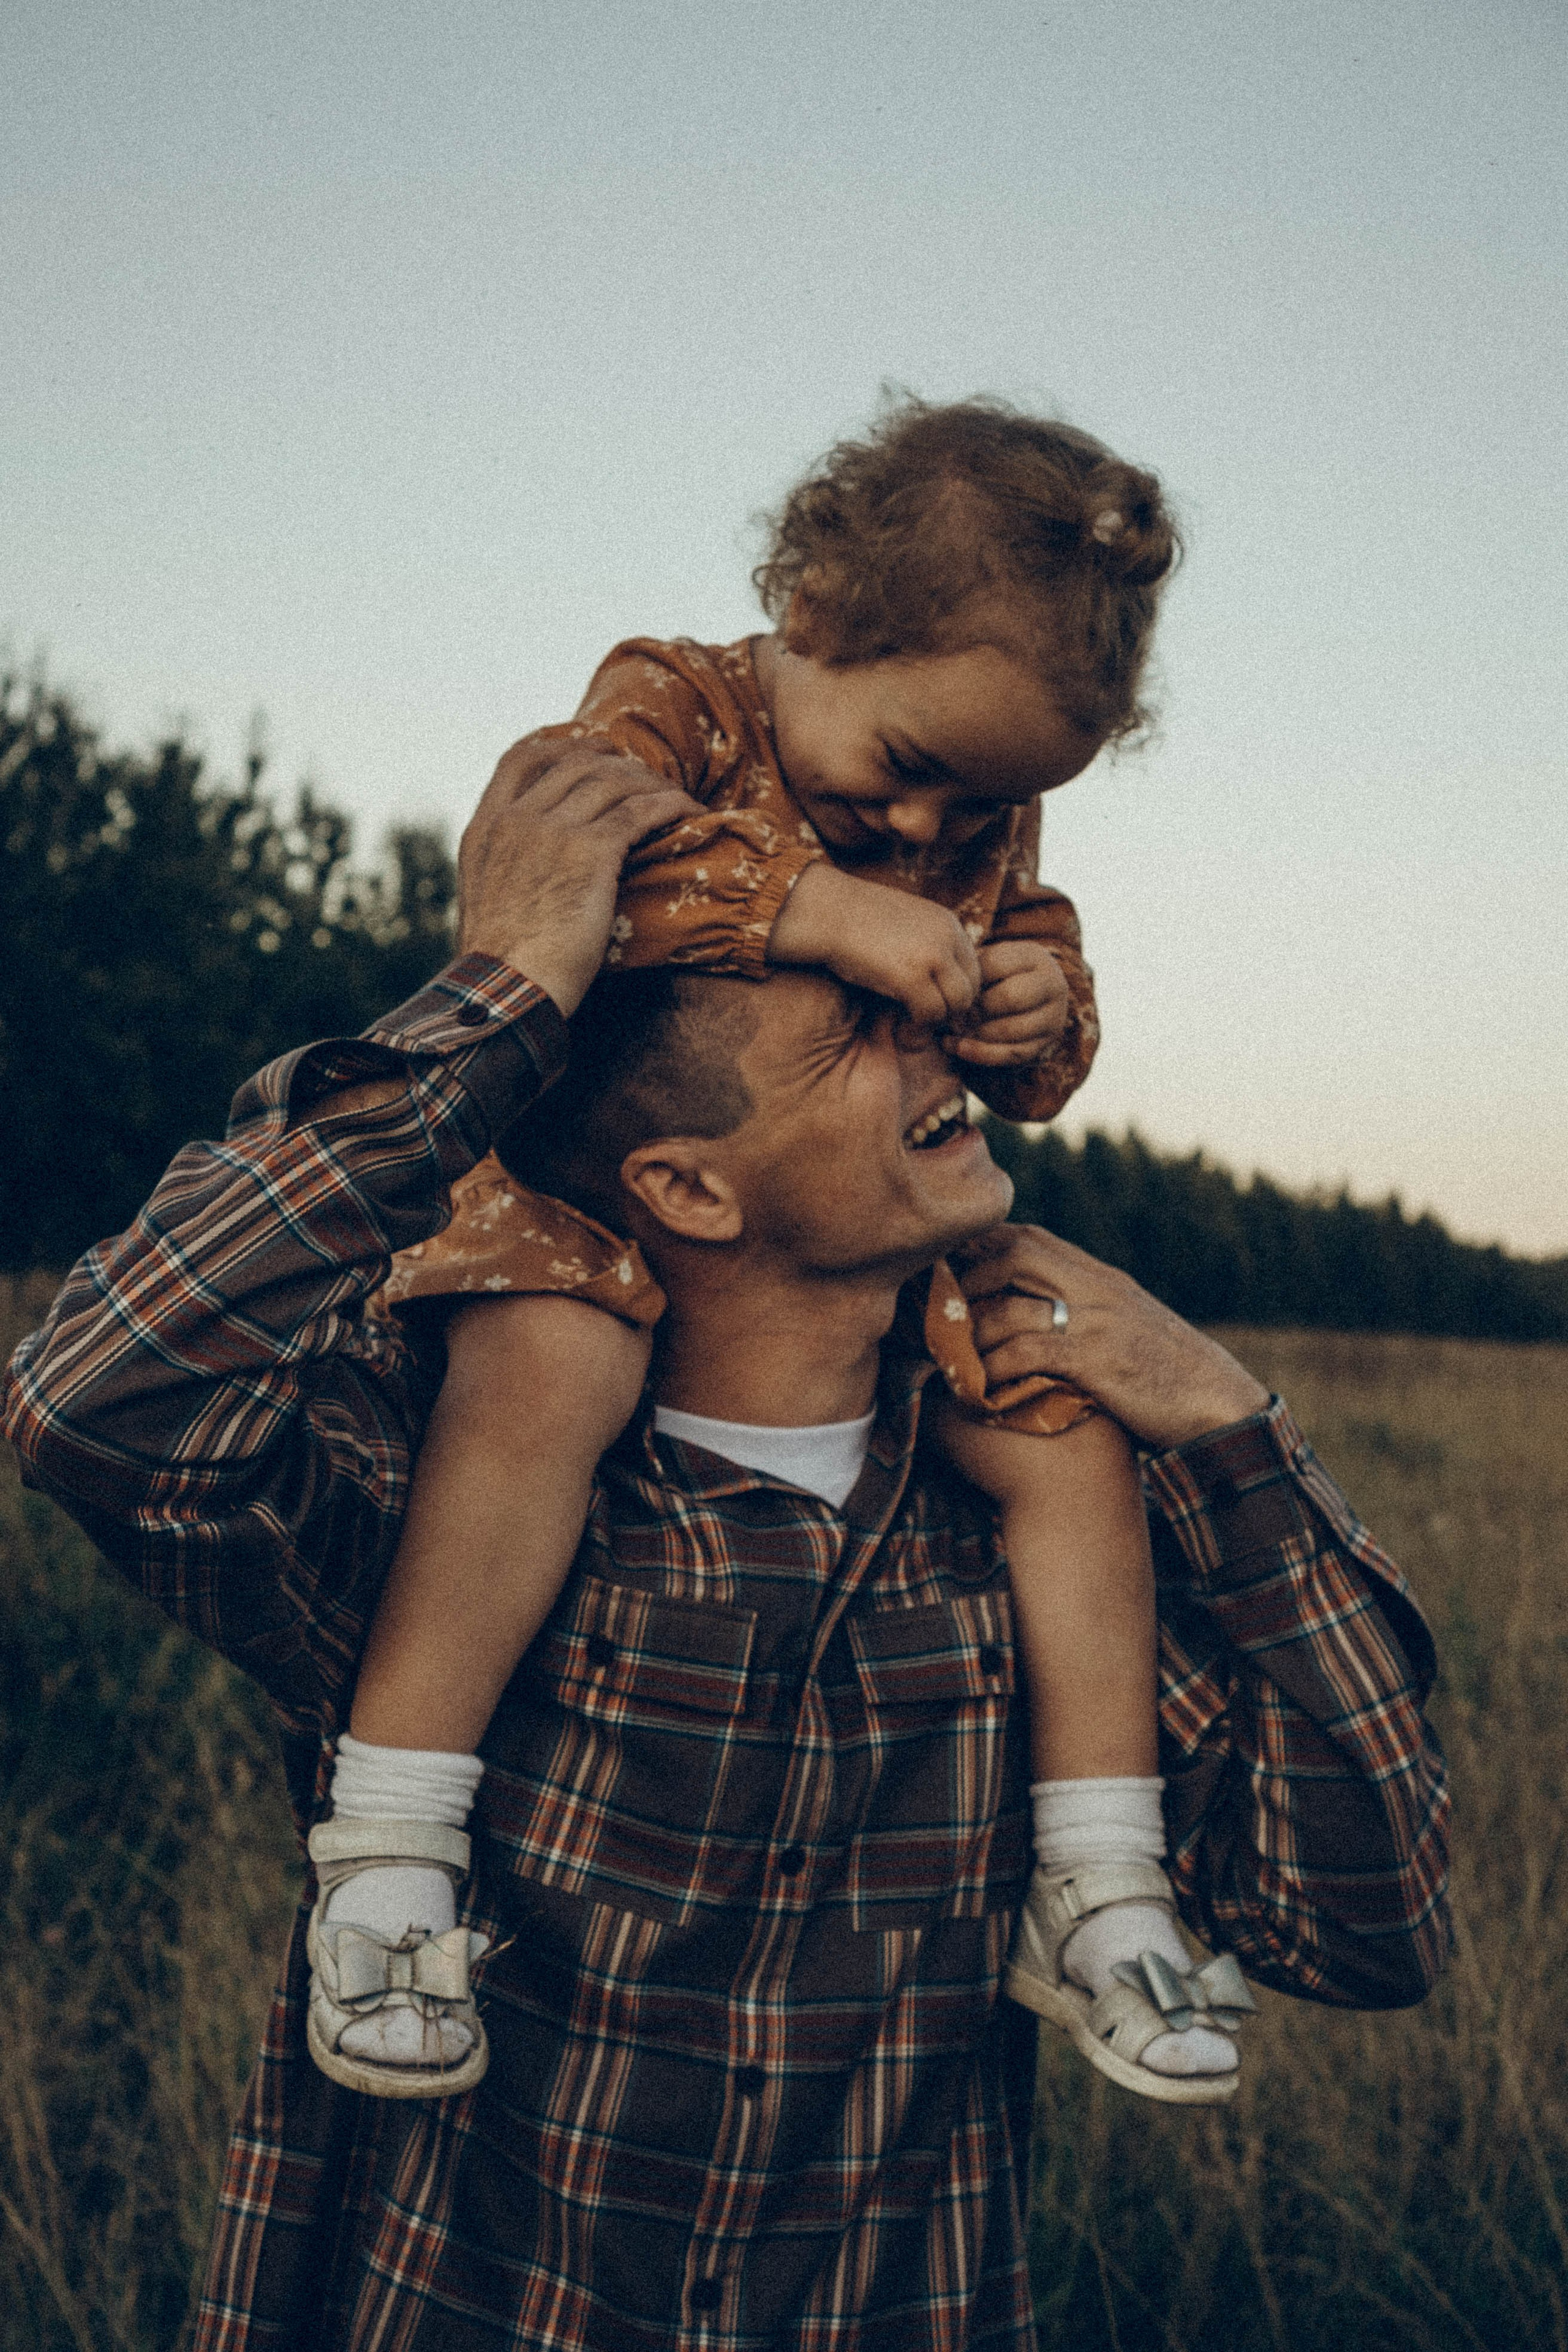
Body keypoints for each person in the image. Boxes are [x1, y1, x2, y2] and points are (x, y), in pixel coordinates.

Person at [4, 742, 1452, 2352]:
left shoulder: (1045, 1518)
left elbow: (1366, 1925)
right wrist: (500, 999)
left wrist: (1229, 1425)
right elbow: (95, 1400)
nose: (937, 1040)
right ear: (687, 1185)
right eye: (856, 1033)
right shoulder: (440, 1505)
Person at [336, 397, 1231, 2105]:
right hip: (585, 1201)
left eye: (983, 808)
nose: (926, 839)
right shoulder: (677, 696)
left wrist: (1041, 1007)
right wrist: (816, 913)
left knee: (1049, 1413)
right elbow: (572, 849)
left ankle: (1102, 1876)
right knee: (558, 1356)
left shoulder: (969, 821)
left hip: (830, 1249)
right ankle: (389, 1845)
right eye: (905, 771)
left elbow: (1022, 968)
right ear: (813, 614)